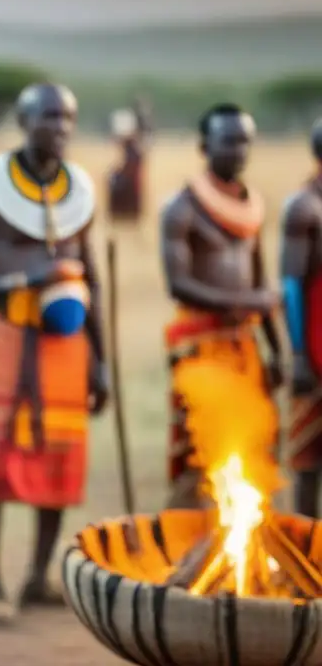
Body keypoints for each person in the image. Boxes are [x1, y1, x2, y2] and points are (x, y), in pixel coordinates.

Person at [0, 82, 108, 624]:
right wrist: (26, 278)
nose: (58, 128)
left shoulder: (79, 193)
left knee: (61, 456)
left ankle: (38, 577)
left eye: (67, 118)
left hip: (66, 342)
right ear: (23, 119)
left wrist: (100, 359)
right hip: (6, 336)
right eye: (47, 118)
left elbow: (93, 279)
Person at [159, 103, 283, 509]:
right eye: (229, 140)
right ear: (204, 146)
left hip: (243, 347)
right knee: (203, 449)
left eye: (246, 140)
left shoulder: (253, 207)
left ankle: (240, 554)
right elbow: (178, 285)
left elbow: (260, 283)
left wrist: (278, 350)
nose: (239, 149)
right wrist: (245, 302)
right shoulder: (182, 209)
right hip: (200, 348)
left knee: (252, 444)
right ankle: (191, 550)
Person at [280, 119, 322, 517]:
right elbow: (291, 285)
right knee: (308, 462)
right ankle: (307, 560)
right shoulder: (305, 207)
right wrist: (297, 354)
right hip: (315, 353)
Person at [106, 107, 145, 222]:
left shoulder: (134, 148)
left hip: (129, 180)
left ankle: (120, 213)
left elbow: (130, 167)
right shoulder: (132, 146)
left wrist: (118, 173)